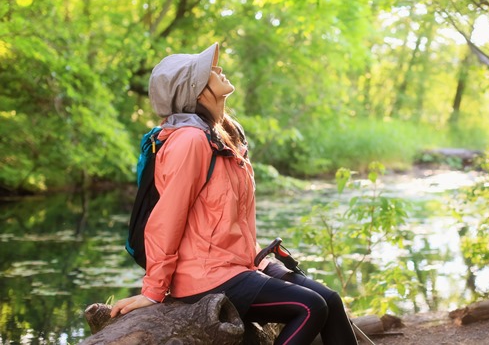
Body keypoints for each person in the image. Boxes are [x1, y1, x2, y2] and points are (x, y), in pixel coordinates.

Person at [110, 43, 358, 345]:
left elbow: (231, 220)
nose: (219, 70)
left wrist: (260, 262)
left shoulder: (223, 134)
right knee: (310, 308)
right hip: (204, 277)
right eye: (209, 71)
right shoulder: (189, 141)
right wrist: (153, 290)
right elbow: (166, 220)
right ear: (196, 91)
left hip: (238, 266)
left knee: (330, 300)